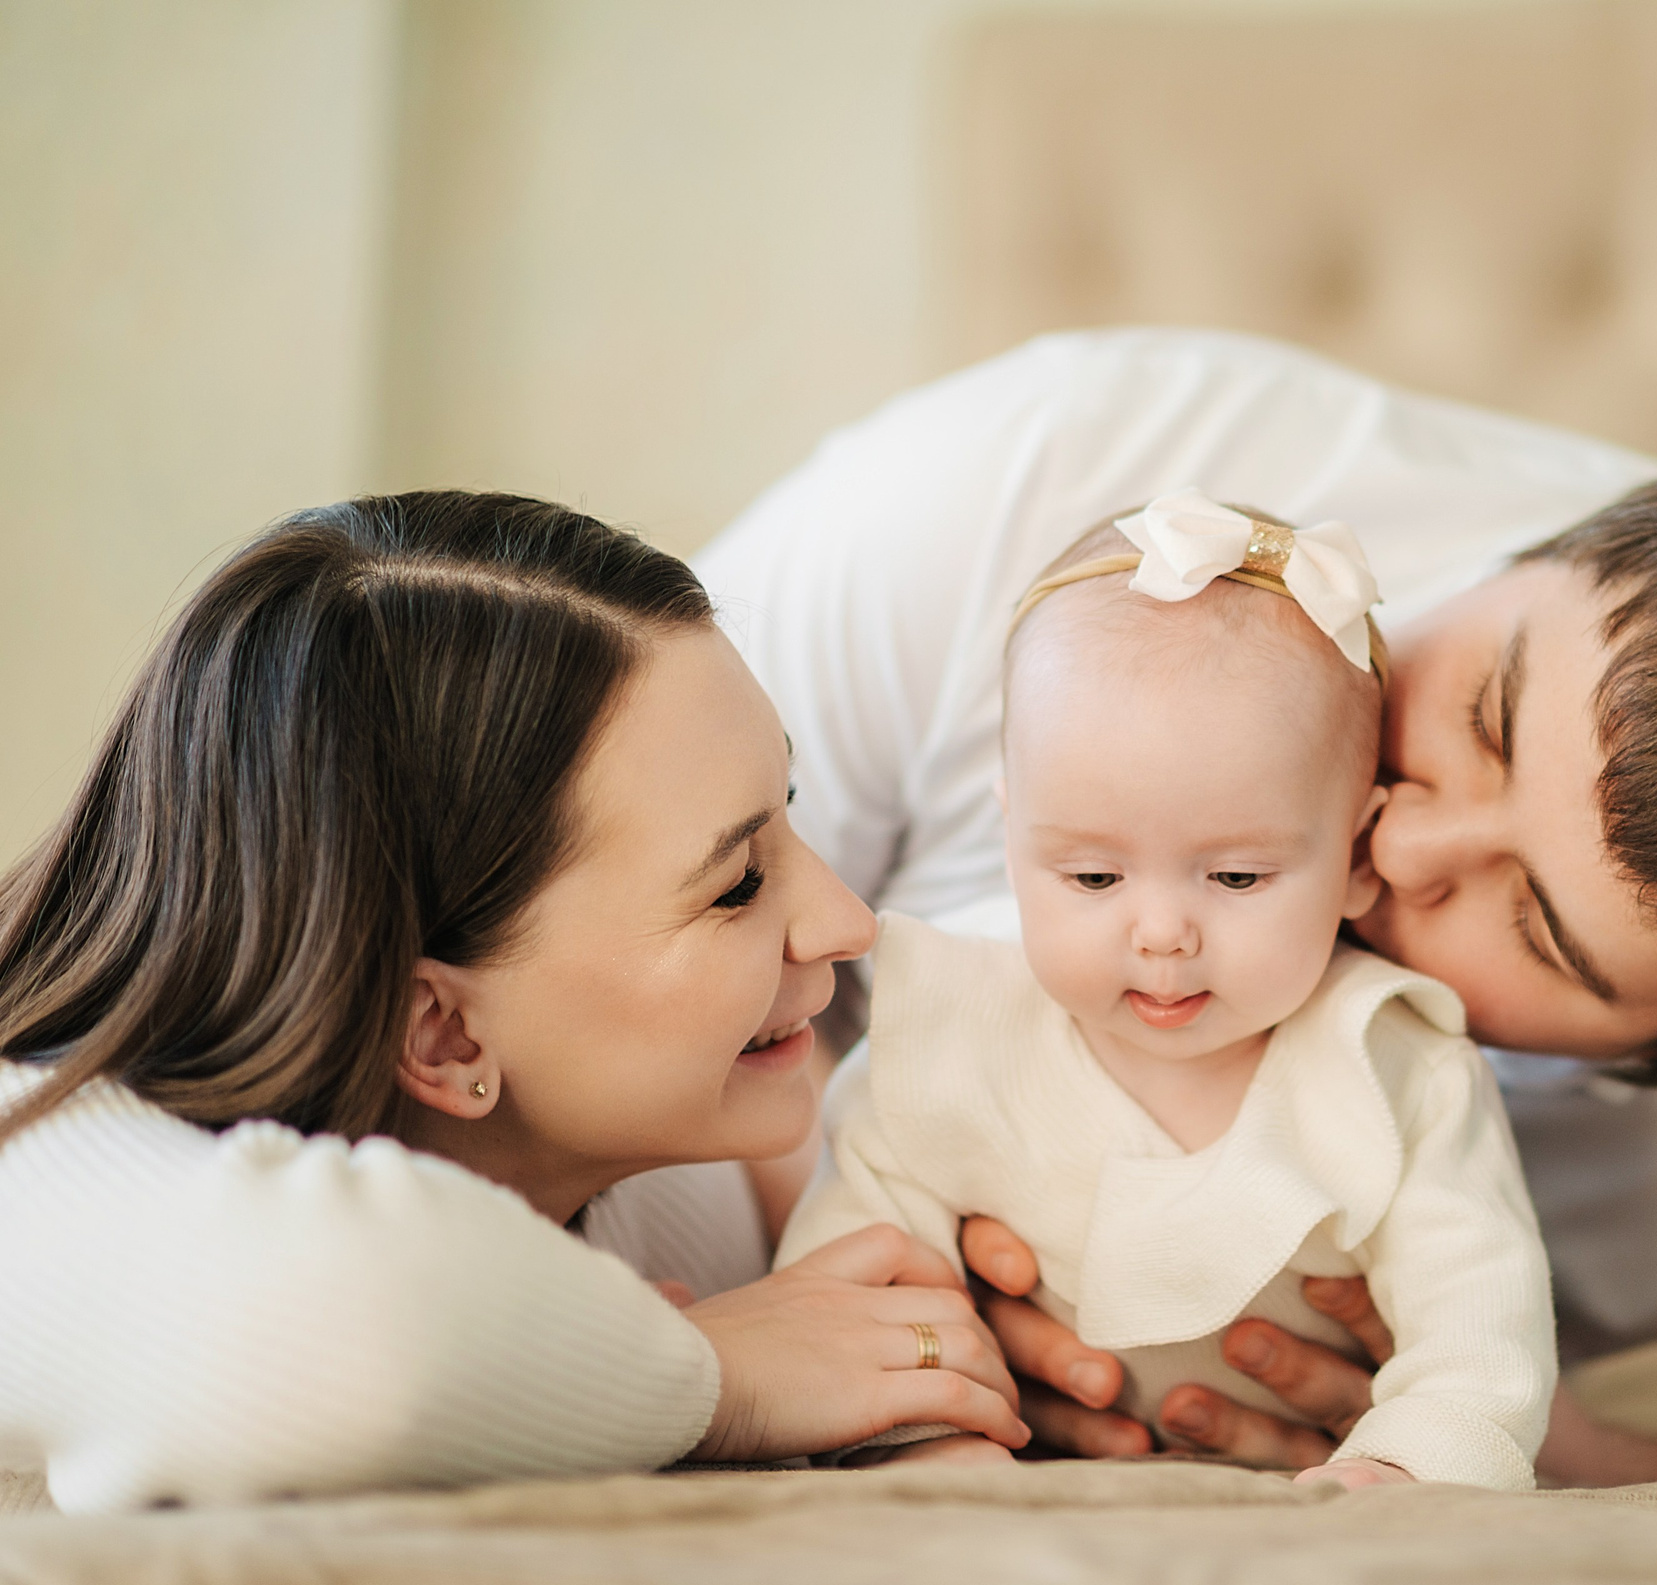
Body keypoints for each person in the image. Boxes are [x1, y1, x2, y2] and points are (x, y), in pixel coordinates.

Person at [699, 328, 1657, 1492]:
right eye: (1486, 713)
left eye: (1536, 928)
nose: (1403, 835)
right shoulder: (1044, 475)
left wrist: (1521, 1434)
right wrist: (876, 1264)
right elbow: (562, 871)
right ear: (1549, 552)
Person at [0, 492, 1028, 1513]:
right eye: (738, 883)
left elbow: (782, 1189)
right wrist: (716, 1377)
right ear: (441, 1035)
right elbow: (324, 1329)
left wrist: (983, 1280)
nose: (849, 920)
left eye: (787, 813)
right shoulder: (37, 1168)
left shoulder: (583, 1135)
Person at [781, 492, 1554, 1491]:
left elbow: (1481, 1313)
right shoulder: (952, 1030)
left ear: (1358, 855)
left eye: (1236, 877)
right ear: (1012, 835)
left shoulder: (1394, 1062)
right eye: (1092, 877)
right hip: (1022, 1453)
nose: (1160, 932)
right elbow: (861, 1266)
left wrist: (1415, 1457)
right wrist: (918, 1432)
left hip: (1316, 1482)